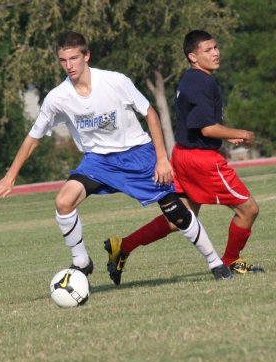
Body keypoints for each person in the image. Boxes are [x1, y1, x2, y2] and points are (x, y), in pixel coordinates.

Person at [0, 31, 234, 281]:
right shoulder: (57, 98)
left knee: (176, 212)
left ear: (87, 56)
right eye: (63, 60)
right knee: (63, 202)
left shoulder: (115, 81)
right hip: (98, 161)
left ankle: (215, 263)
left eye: (74, 58)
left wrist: (162, 158)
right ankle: (82, 262)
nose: (69, 65)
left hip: (138, 154)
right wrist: (10, 177)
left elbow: (150, 113)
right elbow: (33, 138)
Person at [104, 29, 264, 285]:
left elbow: (200, 125)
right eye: (208, 50)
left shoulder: (191, 79)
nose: (215, 53)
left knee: (180, 218)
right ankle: (231, 261)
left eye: (215, 47)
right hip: (202, 161)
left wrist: (224, 136)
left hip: (183, 155)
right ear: (193, 56)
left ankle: (122, 246)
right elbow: (206, 128)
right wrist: (242, 133)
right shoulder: (203, 82)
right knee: (248, 209)